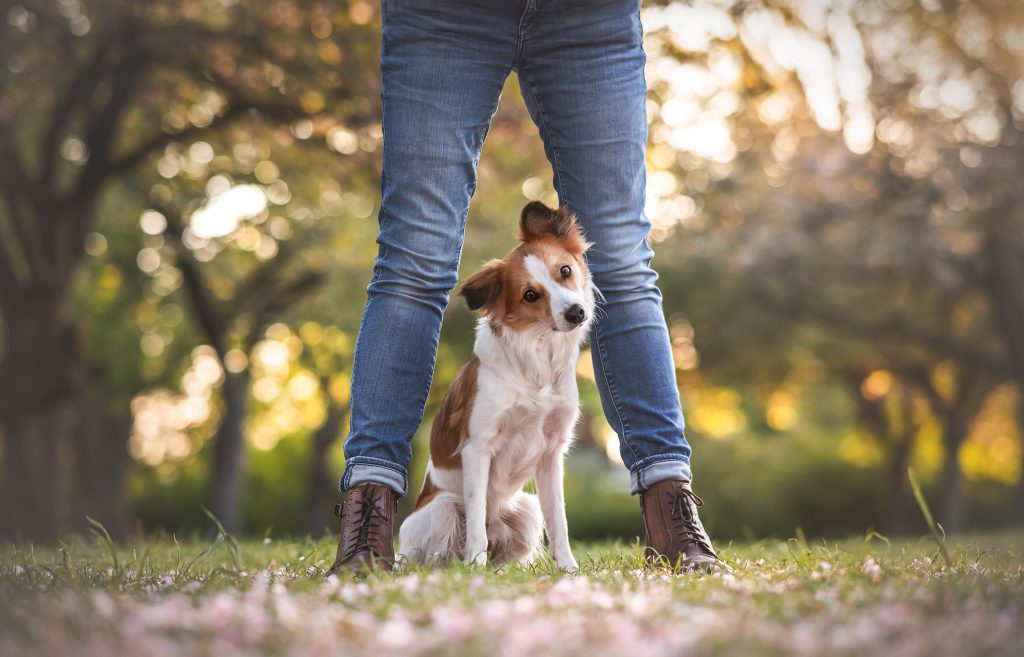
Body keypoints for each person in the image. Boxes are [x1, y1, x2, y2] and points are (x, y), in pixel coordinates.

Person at [329, 0, 718, 573]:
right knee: (414, 262)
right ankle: (369, 514)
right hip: (441, 14)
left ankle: (670, 509)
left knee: (626, 266)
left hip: (591, 16)